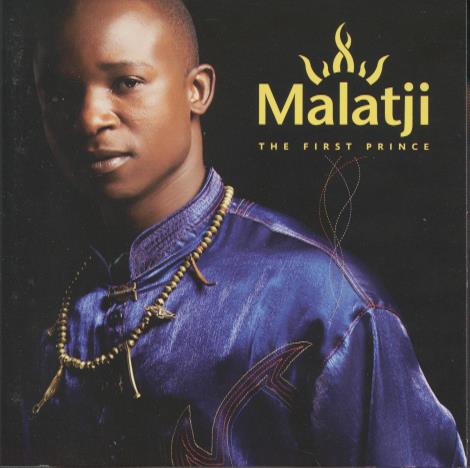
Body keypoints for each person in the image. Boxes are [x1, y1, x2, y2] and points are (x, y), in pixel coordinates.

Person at [25, 0, 465, 465]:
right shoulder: (48, 302)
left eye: (126, 83)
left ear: (197, 90)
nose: (90, 118)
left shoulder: (321, 300)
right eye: (60, 93)